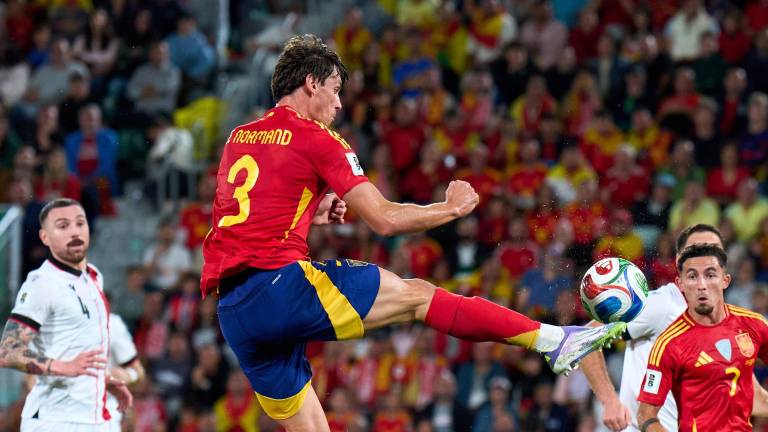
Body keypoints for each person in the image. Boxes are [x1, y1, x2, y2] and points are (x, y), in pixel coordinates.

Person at [201, 34, 625, 430]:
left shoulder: (240, 137)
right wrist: (450, 207)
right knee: (419, 296)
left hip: (235, 311)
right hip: (280, 286)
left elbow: (242, 216)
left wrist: (312, 210)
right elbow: (384, 219)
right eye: (335, 89)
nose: (340, 104)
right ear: (311, 84)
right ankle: (553, 339)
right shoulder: (318, 137)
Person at [582, 224, 768, 431]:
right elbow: (586, 337)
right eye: (697, 249)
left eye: (713, 250)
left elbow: (753, 398)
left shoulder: (731, 325)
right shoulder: (662, 304)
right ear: (679, 261)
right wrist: (609, 400)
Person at [0, 198, 132, 431]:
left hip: (95, 417)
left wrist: (99, 380)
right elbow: (8, 351)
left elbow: (75, 344)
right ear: (45, 237)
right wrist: (63, 367)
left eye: (80, 223)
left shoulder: (94, 277)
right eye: (62, 226)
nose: (74, 232)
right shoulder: (42, 283)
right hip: (55, 420)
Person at [637, 244, 768, 431]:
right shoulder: (669, 344)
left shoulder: (754, 325)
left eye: (710, 275)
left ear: (725, 280)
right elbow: (645, 414)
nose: (701, 285)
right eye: (692, 276)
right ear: (680, 284)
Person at [106, 308, 145, 432]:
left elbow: (139, 372)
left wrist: (128, 376)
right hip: (56, 412)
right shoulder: (50, 318)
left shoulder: (112, 323)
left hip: (104, 413)